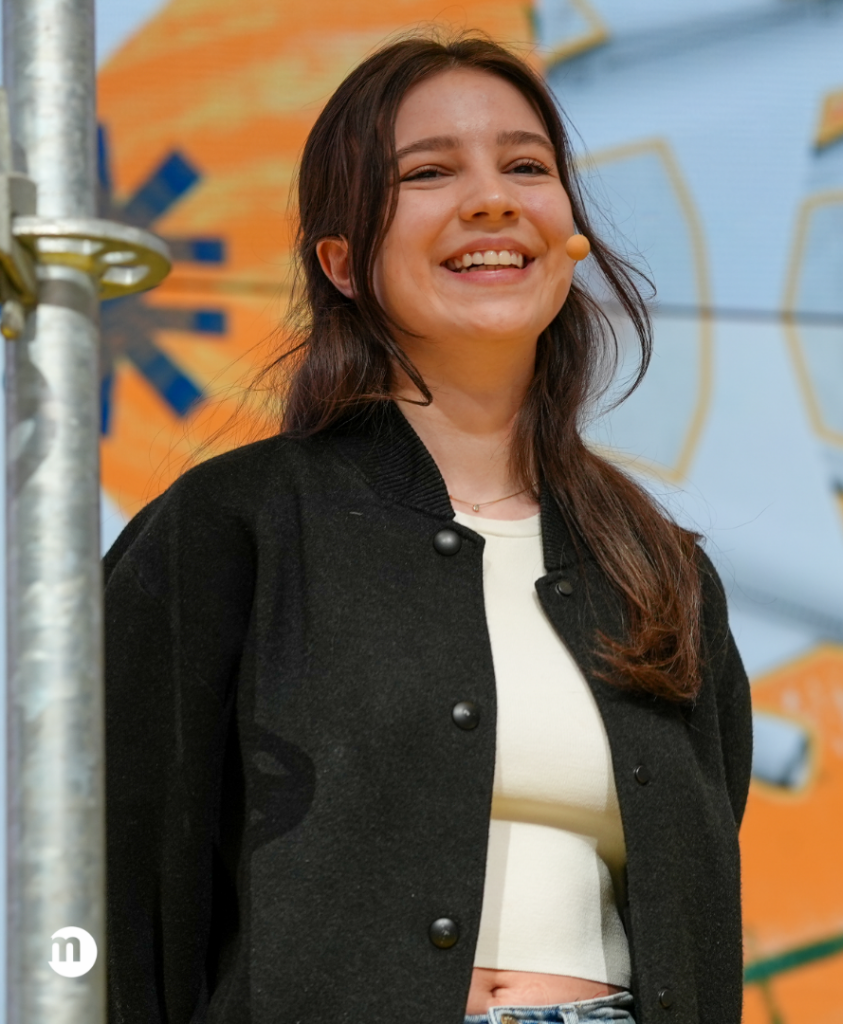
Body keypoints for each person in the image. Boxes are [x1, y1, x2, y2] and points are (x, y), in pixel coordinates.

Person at [104, 34, 752, 1024]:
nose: (491, 199)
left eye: (525, 167)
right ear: (342, 261)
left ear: (569, 234)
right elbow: (121, 886)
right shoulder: (231, 529)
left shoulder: (655, 568)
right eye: (428, 172)